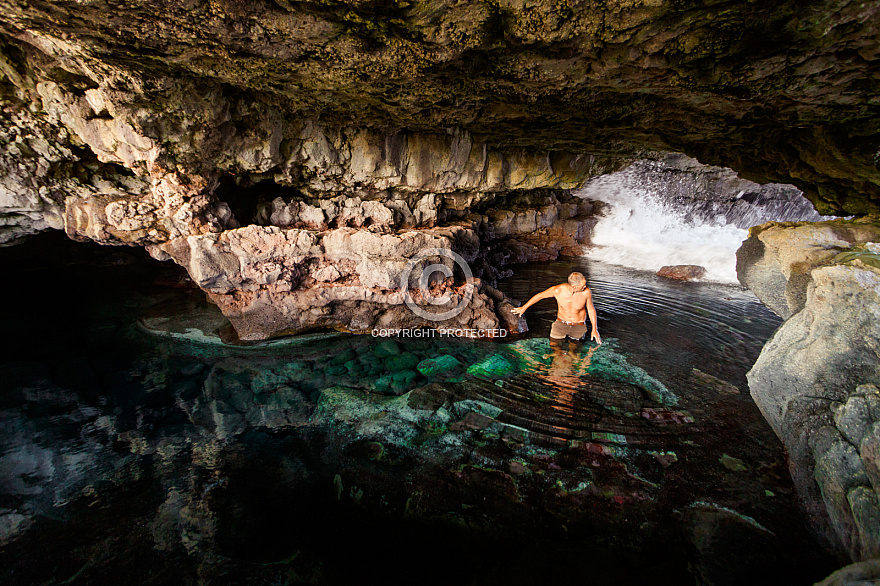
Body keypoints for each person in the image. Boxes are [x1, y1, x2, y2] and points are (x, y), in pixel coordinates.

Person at [511, 272, 602, 346]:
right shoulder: (558, 290)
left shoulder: (586, 292)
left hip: (578, 325)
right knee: (554, 346)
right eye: (583, 285)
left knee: (574, 351)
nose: (585, 286)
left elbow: (591, 309)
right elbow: (540, 296)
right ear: (574, 286)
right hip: (560, 324)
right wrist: (524, 308)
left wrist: (594, 328)